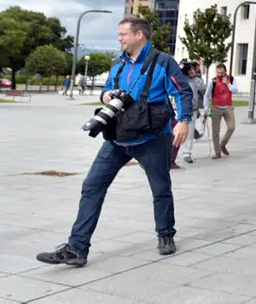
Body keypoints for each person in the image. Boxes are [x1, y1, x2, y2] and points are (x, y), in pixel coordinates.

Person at [36, 16, 193, 267]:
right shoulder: (119, 64)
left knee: (160, 189)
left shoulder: (163, 62)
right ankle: (77, 249)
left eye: (123, 34)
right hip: (118, 138)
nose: (119, 39)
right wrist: (106, 95)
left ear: (139, 35)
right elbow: (106, 90)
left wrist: (183, 120)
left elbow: (183, 91)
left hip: (152, 138)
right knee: (92, 186)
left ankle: (166, 234)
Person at [203, 64, 238, 159]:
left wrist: (228, 84)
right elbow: (206, 96)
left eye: (222, 73)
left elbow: (236, 91)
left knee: (231, 127)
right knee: (215, 131)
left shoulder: (232, 79)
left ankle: (222, 144)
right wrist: (206, 107)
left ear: (225, 71)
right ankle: (217, 152)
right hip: (216, 108)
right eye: (218, 73)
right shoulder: (213, 82)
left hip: (228, 107)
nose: (220, 75)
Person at [179, 61, 204, 164]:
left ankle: (187, 153)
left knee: (189, 132)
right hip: (179, 108)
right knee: (176, 131)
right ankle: (172, 152)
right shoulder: (179, 77)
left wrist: (194, 76)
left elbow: (202, 87)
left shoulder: (194, 79)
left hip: (192, 109)